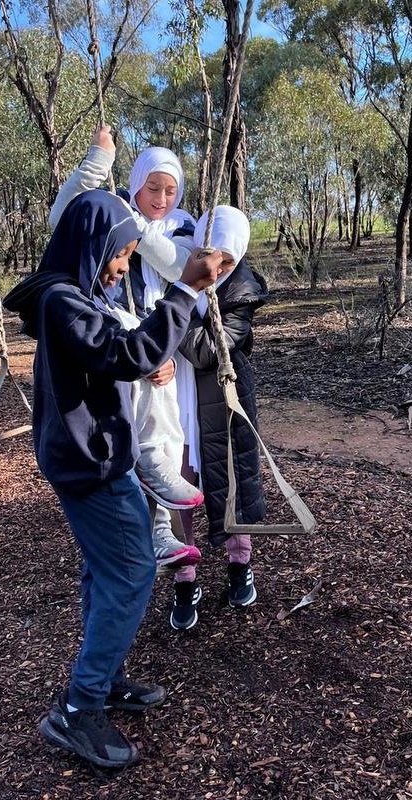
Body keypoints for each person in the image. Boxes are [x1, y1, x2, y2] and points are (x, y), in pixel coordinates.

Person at [3, 189, 224, 767]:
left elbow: (126, 350)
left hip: (98, 455)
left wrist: (162, 328)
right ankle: (78, 708)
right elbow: (127, 355)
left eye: (129, 254)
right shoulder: (61, 302)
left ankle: (106, 676)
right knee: (132, 570)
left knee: (107, 568)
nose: (123, 265)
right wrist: (183, 291)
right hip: (88, 464)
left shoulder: (72, 298)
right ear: (93, 243)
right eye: (121, 252)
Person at [49, 127, 202, 570]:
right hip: (117, 338)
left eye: (170, 190)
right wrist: (97, 161)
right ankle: (140, 533)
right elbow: (63, 216)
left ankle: (159, 533)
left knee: (163, 425)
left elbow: (178, 264)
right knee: (132, 436)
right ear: (135, 182)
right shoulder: (109, 213)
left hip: (162, 344)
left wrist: (139, 224)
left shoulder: (183, 226)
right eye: (152, 188)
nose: (160, 199)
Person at [169, 206, 268, 631]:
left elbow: (212, 351)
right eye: (212, 259)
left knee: (231, 480)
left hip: (223, 398)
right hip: (176, 398)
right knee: (179, 485)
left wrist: (172, 309)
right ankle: (185, 580)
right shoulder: (178, 269)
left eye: (227, 261)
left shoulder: (242, 290)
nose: (218, 270)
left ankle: (238, 565)